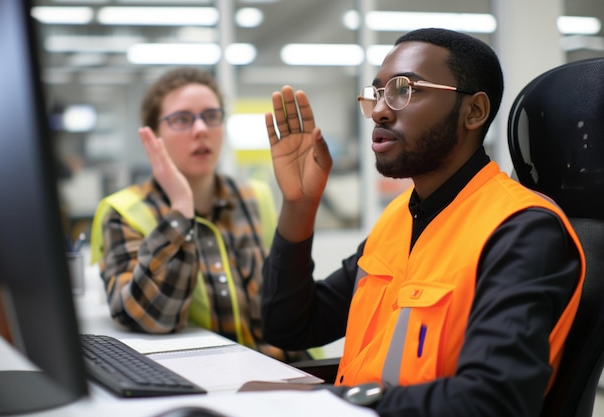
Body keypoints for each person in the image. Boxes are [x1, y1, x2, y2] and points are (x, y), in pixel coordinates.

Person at [260, 28, 586, 415]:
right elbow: (291, 327)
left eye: (405, 90)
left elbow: (495, 400)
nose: (380, 110)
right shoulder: (400, 216)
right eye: (377, 92)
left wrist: (335, 402)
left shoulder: (520, 230)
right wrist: (299, 204)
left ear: (474, 112)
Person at [90, 67, 309, 362]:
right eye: (182, 119)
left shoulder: (255, 197)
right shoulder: (124, 212)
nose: (201, 129)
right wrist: (181, 207)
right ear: (154, 135)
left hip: (279, 372)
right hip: (196, 379)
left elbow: (289, 301)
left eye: (211, 116)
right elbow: (147, 318)